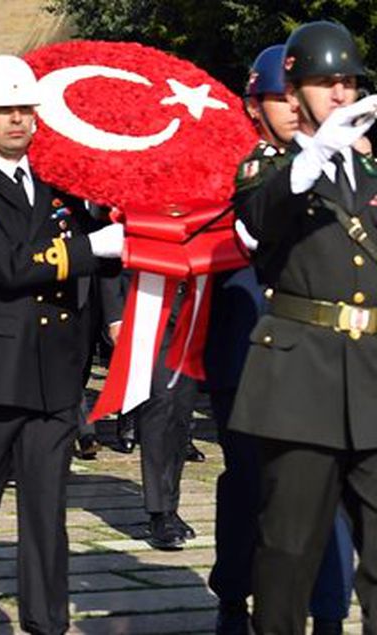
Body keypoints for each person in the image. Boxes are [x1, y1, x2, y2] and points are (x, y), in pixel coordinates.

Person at [0, 56, 124, 635]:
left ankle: (46, 621)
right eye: (3, 110)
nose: (17, 119)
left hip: (53, 371)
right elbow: (9, 267)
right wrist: (95, 247)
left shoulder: (60, 188)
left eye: (24, 110)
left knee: (45, 508)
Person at [229, 20, 377, 633]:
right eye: (325, 82)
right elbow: (259, 221)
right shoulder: (270, 171)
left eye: (348, 82)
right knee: (289, 552)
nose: (341, 94)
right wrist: (310, 157)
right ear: (293, 96)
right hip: (300, 382)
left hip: (371, 377)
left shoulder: (370, 174)